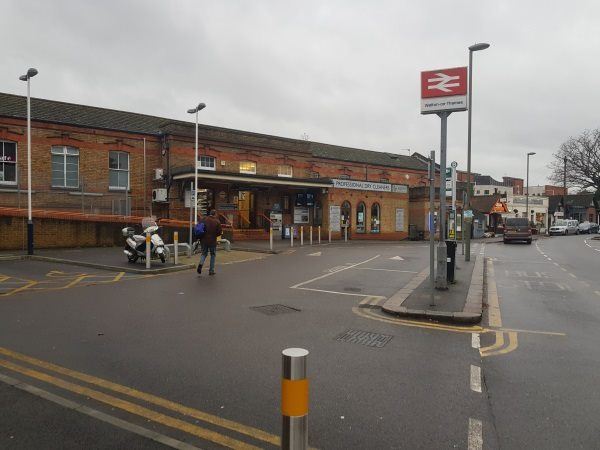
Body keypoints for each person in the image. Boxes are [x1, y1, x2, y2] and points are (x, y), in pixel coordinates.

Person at [197, 209, 222, 275]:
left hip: (203, 240)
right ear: (215, 214)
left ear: (210, 213)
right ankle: (211, 270)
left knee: (204, 254)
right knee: (213, 255)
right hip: (212, 241)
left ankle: (200, 264)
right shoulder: (217, 221)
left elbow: (199, 227)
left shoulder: (204, 219)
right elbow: (219, 233)